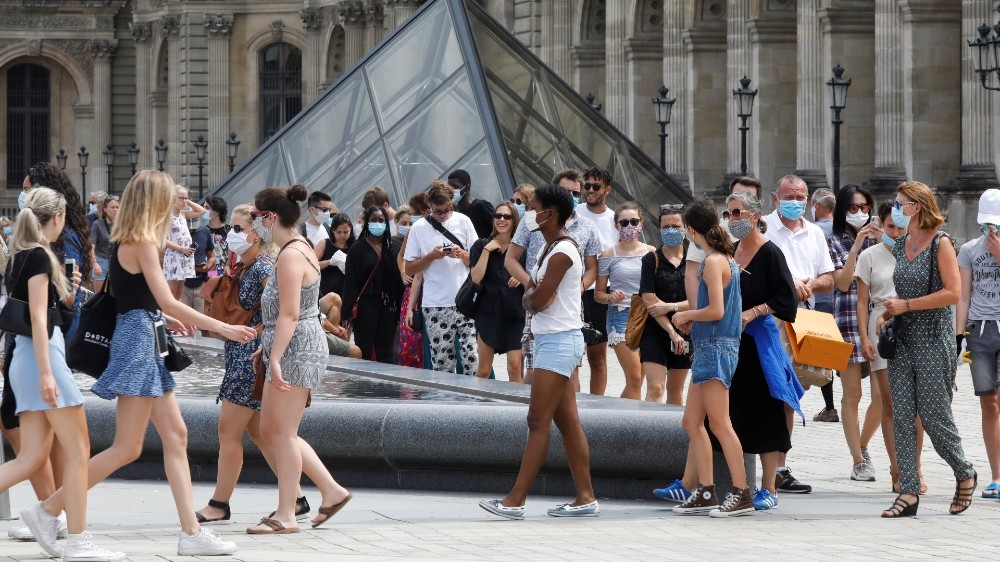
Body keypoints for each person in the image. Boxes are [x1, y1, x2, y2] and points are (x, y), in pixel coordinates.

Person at [30, 170, 255, 556]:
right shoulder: (143, 242)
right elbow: (165, 300)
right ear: (154, 201)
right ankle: (48, 508)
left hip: (143, 334)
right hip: (139, 341)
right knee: (127, 447)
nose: (177, 204)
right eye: (171, 198)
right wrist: (222, 326)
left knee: (176, 435)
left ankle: (191, 533)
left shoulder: (129, 240)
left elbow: (135, 299)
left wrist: (164, 318)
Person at [0, 187, 124, 561]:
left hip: (23, 358)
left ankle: (64, 530)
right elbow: (39, 317)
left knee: (31, 457)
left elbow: (35, 311)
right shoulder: (39, 255)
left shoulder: (21, 254)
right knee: (78, 451)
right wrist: (48, 374)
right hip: (43, 358)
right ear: (56, 218)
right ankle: (79, 541)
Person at [195, 204, 320, 525]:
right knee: (259, 431)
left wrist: (260, 337)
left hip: (248, 357)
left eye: (238, 229)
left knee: (229, 431)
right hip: (246, 354)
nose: (231, 236)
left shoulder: (264, 266)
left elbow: (283, 309)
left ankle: (219, 503)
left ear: (256, 233)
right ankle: (299, 498)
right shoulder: (250, 264)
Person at [479, 184, 597, 519]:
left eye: (535, 208)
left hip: (559, 340)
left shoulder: (561, 252)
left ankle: (516, 500)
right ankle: (586, 497)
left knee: (537, 419)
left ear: (551, 214)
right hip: (552, 338)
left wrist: (529, 296)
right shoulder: (552, 247)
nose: (529, 213)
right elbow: (536, 294)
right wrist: (532, 295)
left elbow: (539, 299)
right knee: (568, 423)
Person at [245, 185, 353, 534]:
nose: (252, 224)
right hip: (294, 343)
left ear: (270, 217)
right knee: (271, 430)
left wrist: (274, 357)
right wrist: (268, 345)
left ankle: (287, 514)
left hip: (296, 347)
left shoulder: (291, 254)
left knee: (282, 433)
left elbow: (290, 314)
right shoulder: (298, 247)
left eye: (255, 218)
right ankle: (332, 491)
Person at [875, 180, 976, 518]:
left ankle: (964, 472)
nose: (896, 207)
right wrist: (889, 312)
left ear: (916, 207)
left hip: (934, 340)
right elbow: (903, 292)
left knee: (934, 418)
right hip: (903, 339)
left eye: (900, 202)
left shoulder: (941, 243)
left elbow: (953, 293)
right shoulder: (902, 243)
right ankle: (908, 491)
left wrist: (907, 305)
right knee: (902, 416)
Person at [670, 200, 753, 518]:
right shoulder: (722, 258)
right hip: (711, 346)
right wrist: (695, 318)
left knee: (719, 423)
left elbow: (716, 310)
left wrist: (687, 313)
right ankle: (706, 491)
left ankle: (741, 492)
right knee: (691, 421)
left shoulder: (714, 261)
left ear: (691, 230)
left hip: (716, 348)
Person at [721, 190, 802, 512]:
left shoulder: (770, 253)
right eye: (729, 214)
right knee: (736, 413)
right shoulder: (731, 251)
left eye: (738, 213)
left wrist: (754, 312)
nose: (733, 220)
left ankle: (769, 487)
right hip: (731, 345)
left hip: (760, 344)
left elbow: (787, 299)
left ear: (755, 216)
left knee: (767, 414)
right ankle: (741, 484)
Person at [761, 174, 835, 495]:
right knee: (766, 391)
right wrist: (787, 284)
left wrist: (808, 284)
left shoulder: (815, 232)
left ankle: (780, 467)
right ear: (776, 198)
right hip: (768, 318)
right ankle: (758, 463)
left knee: (791, 394)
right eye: (790, 196)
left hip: (804, 318)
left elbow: (829, 278)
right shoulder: (762, 227)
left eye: (801, 196)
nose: (796, 202)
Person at [856, 200, 926, 493]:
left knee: (918, 407)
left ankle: (916, 467)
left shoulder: (920, 251)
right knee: (890, 404)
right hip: (881, 329)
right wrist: (863, 337)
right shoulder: (870, 256)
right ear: (880, 226)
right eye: (890, 226)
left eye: (900, 226)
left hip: (916, 324)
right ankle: (897, 469)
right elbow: (861, 301)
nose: (896, 232)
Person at [505, 178, 601, 389]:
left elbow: (592, 267)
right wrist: (531, 289)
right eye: (566, 191)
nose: (529, 213)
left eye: (575, 193)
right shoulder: (546, 246)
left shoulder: (571, 241)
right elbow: (513, 263)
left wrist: (576, 287)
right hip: (544, 329)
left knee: (541, 412)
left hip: (561, 332)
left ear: (551, 213)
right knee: (559, 413)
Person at [826, 184, 882, 482]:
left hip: (879, 321)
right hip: (847, 320)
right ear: (842, 211)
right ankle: (858, 460)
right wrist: (857, 247)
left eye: (864, 207)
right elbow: (843, 283)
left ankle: (862, 444)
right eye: (854, 208)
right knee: (852, 394)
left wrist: (884, 243)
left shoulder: (881, 240)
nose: (860, 213)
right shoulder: (834, 241)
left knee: (882, 396)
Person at [404, 180, 479, 374]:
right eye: (438, 211)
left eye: (447, 210)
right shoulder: (419, 228)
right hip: (435, 304)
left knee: (471, 361)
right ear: (429, 206)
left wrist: (462, 254)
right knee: (442, 363)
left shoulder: (464, 221)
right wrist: (431, 256)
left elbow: (478, 261)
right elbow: (409, 268)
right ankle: (445, 403)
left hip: (465, 301)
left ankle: (473, 402)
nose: (443, 215)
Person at [957, 188, 1000, 500]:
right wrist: (959, 336)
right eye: (987, 225)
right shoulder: (969, 250)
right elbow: (963, 295)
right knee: (989, 402)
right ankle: (996, 476)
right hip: (980, 331)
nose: (991, 231)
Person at [595, 202, 656, 399]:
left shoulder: (651, 252)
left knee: (640, 379)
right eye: (624, 222)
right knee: (635, 378)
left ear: (642, 223)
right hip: (620, 316)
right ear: (616, 226)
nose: (629, 226)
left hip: (647, 316)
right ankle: (629, 424)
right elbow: (598, 294)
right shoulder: (608, 255)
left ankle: (624, 420)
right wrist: (610, 297)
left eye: (634, 221)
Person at [639, 204, 690, 405]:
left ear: (685, 228)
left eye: (676, 226)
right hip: (656, 330)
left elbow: (700, 300)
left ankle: (674, 436)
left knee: (676, 390)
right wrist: (671, 332)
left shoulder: (695, 259)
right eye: (666, 226)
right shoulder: (651, 259)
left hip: (686, 327)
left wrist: (671, 307)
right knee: (655, 387)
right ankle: (647, 434)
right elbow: (650, 300)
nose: (671, 230)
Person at [469, 201, 525, 381]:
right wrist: (487, 251)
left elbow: (532, 276)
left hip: (515, 313)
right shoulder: (481, 245)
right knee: (484, 370)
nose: (501, 219)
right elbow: (475, 278)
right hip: (488, 313)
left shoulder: (521, 248)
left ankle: (516, 408)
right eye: (498, 216)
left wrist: (521, 277)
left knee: (515, 367)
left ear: (514, 220)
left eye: (507, 216)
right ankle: (479, 406)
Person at [340, 206, 404, 363]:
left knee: (386, 350)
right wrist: (346, 313)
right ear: (367, 223)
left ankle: (387, 386)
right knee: (364, 348)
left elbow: (399, 283)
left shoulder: (393, 248)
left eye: (381, 220)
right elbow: (350, 282)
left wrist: (399, 313)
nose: (378, 224)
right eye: (373, 220)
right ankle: (363, 386)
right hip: (365, 306)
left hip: (389, 306)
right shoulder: (357, 249)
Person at [577, 167, 616, 396]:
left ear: (607, 190)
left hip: (599, 293)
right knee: (573, 359)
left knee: (597, 357)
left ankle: (596, 407)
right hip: (571, 290)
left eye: (595, 186)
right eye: (587, 185)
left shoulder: (615, 220)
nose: (589, 190)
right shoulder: (574, 212)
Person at [810, 187, 839, 423]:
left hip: (820, 301)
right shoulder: (841, 231)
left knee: (823, 355)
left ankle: (829, 407)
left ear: (817, 207)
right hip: (842, 302)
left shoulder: (813, 232)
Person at [398, 193, 430, 368]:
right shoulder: (414, 231)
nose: (412, 217)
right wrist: (404, 272)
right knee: (411, 342)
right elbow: (401, 256)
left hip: (430, 292)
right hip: (414, 293)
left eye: (414, 213)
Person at [163, 185, 206, 300]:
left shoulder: (183, 214)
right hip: (174, 255)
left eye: (185, 198)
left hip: (185, 256)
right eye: (181, 198)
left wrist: (188, 202)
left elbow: (201, 211)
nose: (184, 200)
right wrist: (182, 249)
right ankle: (169, 317)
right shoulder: (167, 216)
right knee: (171, 294)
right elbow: (162, 239)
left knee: (179, 294)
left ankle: (177, 317)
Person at [180, 217, 215, 317]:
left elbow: (212, 256)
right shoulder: (174, 232)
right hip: (181, 284)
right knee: (184, 323)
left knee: (203, 322)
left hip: (201, 283)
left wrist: (208, 266)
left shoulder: (204, 231)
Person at [315, 212, 354, 301]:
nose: (342, 235)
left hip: (347, 295)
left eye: (345, 232)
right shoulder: (324, 244)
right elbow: (310, 265)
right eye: (339, 232)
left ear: (350, 230)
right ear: (332, 230)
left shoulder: (354, 247)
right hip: (325, 294)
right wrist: (330, 261)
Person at [449, 169, 495, 239]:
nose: (451, 190)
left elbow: (498, 230)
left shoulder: (481, 207)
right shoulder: (454, 210)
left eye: (455, 187)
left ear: (467, 187)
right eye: (449, 187)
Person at [90, 194, 119, 293]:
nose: (115, 210)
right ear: (105, 209)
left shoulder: (121, 225)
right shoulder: (97, 224)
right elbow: (91, 246)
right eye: (112, 207)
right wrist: (94, 264)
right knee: (100, 296)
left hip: (117, 262)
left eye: (117, 207)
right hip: (101, 262)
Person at [203, 196, 231, 277]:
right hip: (205, 278)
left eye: (207, 207)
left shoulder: (229, 231)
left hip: (225, 277)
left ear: (217, 211)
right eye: (203, 207)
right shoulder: (202, 231)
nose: (203, 210)